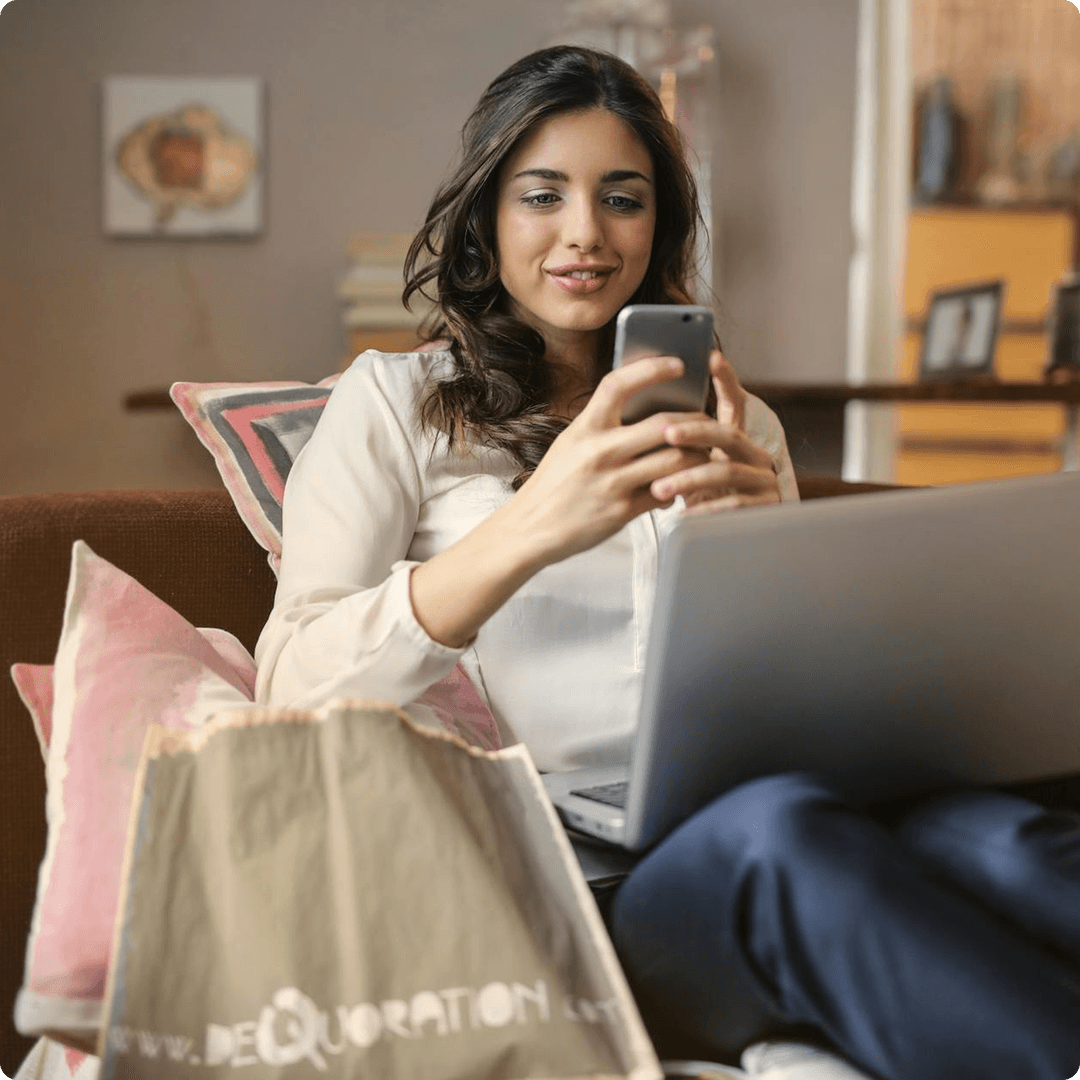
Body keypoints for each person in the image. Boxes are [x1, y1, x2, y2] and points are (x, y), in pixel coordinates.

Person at [255, 45, 1080, 1080]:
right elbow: (289, 680)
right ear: (486, 220)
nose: (585, 235)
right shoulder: (395, 405)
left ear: (661, 225)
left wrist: (760, 550)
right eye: (542, 196)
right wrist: (534, 523)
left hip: (785, 802)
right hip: (583, 889)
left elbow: (813, 693)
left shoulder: (738, 421)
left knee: (1007, 838)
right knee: (779, 837)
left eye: (623, 199)